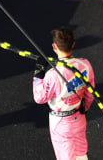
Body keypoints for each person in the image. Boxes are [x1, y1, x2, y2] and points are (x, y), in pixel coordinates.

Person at [31, 28, 96, 160]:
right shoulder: (85, 64)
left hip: (60, 123)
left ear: (54, 46)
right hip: (79, 117)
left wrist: (38, 73)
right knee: (81, 151)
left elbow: (39, 97)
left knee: (65, 155)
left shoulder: (52, 75)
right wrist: (86, 106)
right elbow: (91, 90)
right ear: (73, 44)